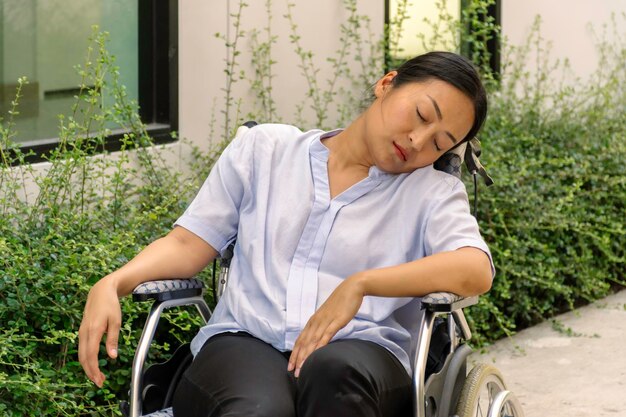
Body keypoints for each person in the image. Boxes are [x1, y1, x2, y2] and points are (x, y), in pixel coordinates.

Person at [79, 51, 494, 417]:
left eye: (440, 142)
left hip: (360, 355)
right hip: (246, 341)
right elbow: (188, 243)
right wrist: (114, 282)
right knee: (259, 409)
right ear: (387, 84)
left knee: (335, 374)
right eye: (421, 115)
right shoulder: (265, 150)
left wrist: (362, 284)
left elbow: (475, 268)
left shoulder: (431, 192)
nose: (418, 141)